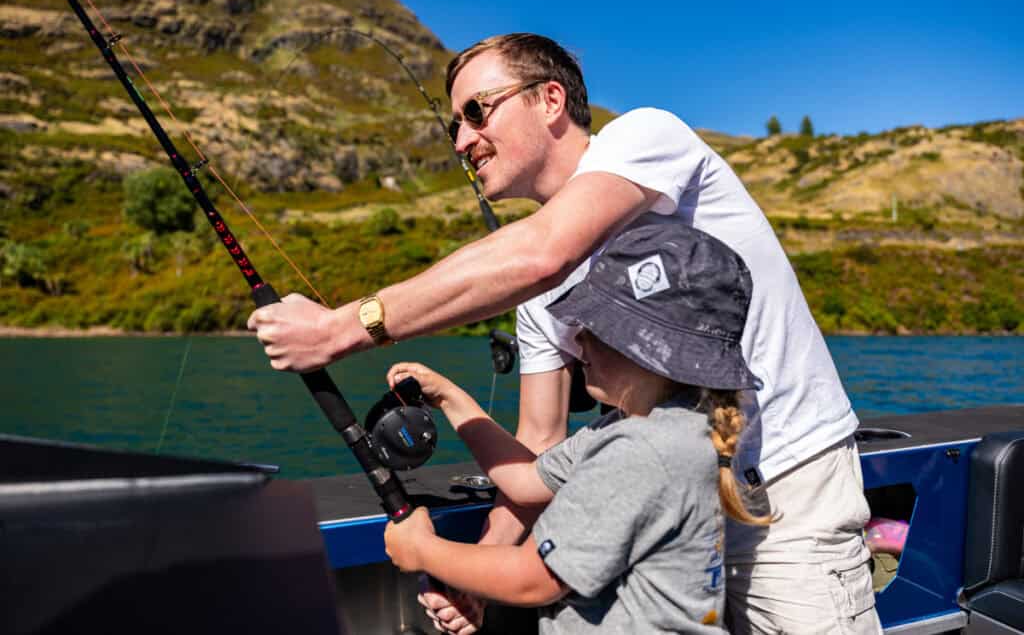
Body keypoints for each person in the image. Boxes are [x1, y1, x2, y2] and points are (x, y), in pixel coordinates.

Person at [247, 33, 880, 634]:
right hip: (659, 524)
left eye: (477, 111)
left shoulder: (645, 135)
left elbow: (544, 251)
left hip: (784, 499)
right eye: (453, 126)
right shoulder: (538, 295)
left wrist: (339, 330)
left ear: (550, 99)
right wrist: (478, 572)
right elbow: (539, 450)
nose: (463, 140)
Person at [384, 223, 769, 634]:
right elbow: (525, 480)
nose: (576, 340)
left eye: (595, 327)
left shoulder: (641, 451)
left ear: (645, 348)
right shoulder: (667, 425)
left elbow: (534, 580)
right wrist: (451, 400)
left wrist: (424, 550)